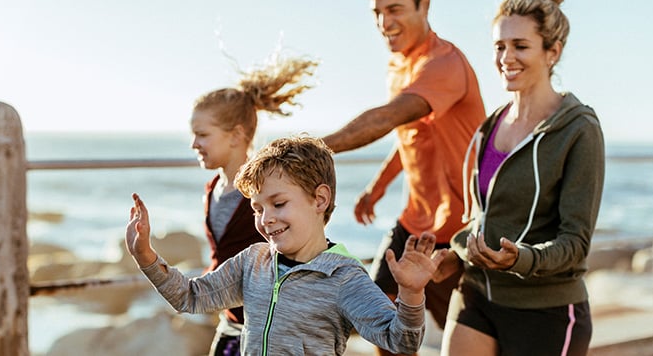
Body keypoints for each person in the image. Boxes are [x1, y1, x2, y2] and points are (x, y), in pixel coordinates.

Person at [125, 135, 447, 355]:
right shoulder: (253, 261)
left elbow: (401, 341)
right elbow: (190, 297)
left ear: (320, 199)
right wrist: (146, 256)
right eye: (258, 209)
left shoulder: (344, 277)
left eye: (278, 204)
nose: (266, 219)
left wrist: (411, 293)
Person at [320, 0, 486, 352]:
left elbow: (389, 116)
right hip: (414, 219)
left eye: (394, 10)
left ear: (424, 4)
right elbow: (411, 133)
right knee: (380, 317)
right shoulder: (400, 64)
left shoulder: (444, 64)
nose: (384, 22)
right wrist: (377, 187)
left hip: (457, 226)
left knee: (466, 336)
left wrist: (310, 147)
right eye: (377, 12)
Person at [437, 0, 605, 356]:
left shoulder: (579, 130)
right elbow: (481, 218)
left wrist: (522, 259)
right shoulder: (490, 125)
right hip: (478, 293)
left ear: (553, 51)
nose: (505, 58)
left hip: (546, 310)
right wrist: (452, 254)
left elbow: (576, 242)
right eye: (499, 46)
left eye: (520, 46)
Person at [189, 53, 318, 355]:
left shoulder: (265, 193)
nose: (194, 144)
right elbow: (223, 256)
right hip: (232, 323)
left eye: (202, 134)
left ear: (236, 136)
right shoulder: (212, 189)